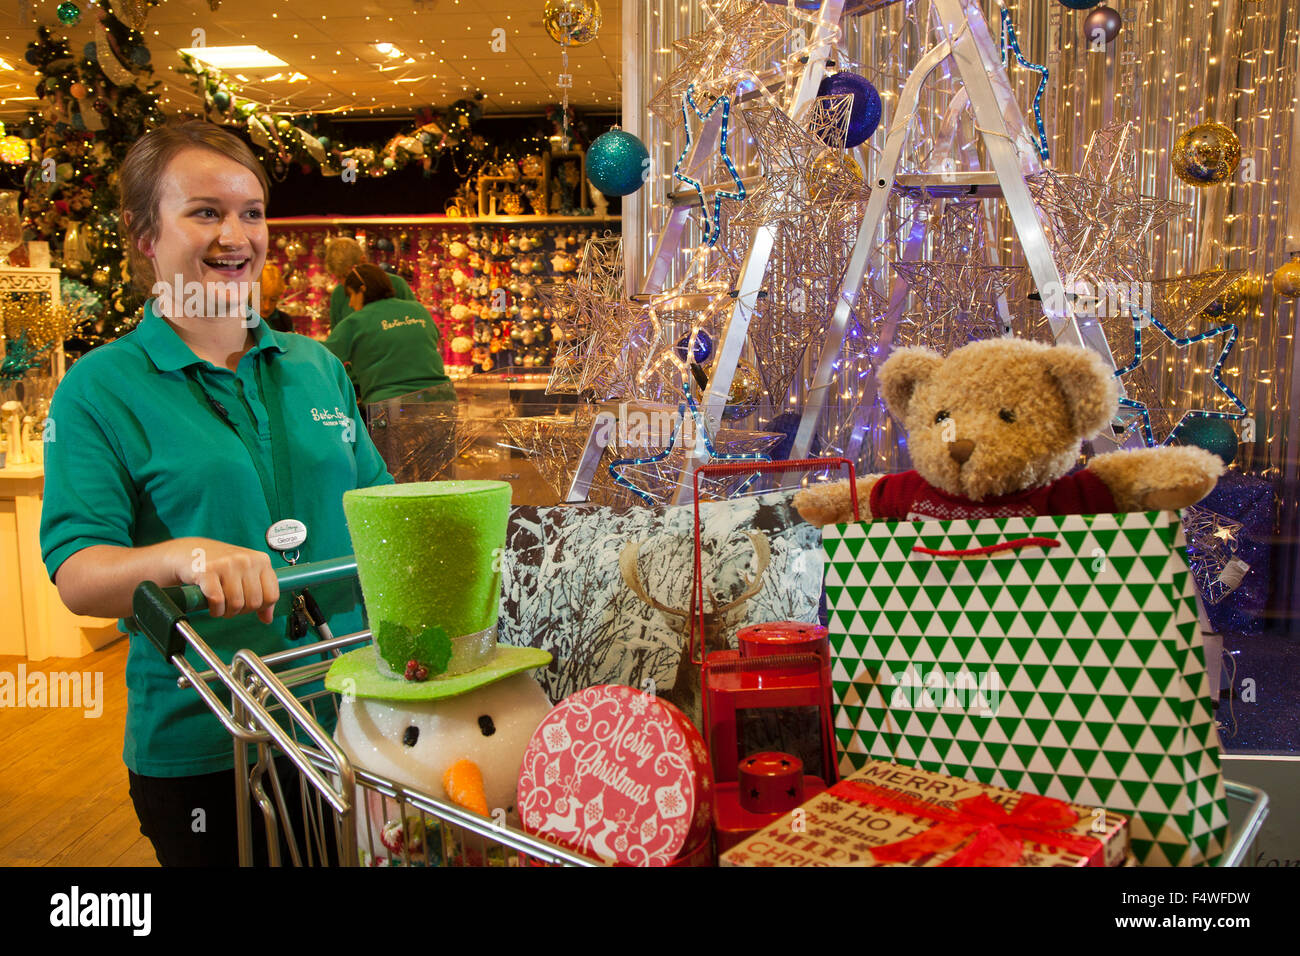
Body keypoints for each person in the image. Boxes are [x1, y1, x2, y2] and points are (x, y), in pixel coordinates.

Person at [39, 120, 394, 866]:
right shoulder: (100, 389)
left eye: (252, 212)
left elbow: (378, 513)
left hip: (353, 719)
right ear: (144, 236)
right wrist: (185, 557)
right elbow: (79, 572)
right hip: (211, 746)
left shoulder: (315, 366)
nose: (237, 234)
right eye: (205, 211)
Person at [325, 263, 456, 405]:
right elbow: (433, 339)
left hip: (390, 407)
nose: (350, 303)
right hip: (442, 399)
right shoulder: (419, 310)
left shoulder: (356, 322)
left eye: (351, 295)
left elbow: (324, 356)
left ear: (362, 290)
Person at [324, 235, 415, 331]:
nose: (344, 283)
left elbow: (415, 325)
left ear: (363, 261)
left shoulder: (396, 285)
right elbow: (337, 337)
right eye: (339, 277)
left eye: (346, 275)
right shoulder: (338, 294)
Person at [257, 261, 294, 333]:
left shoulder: (284, 321)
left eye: (273, 300)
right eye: (262, 299)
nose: (266, 307)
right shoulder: (240, 320)